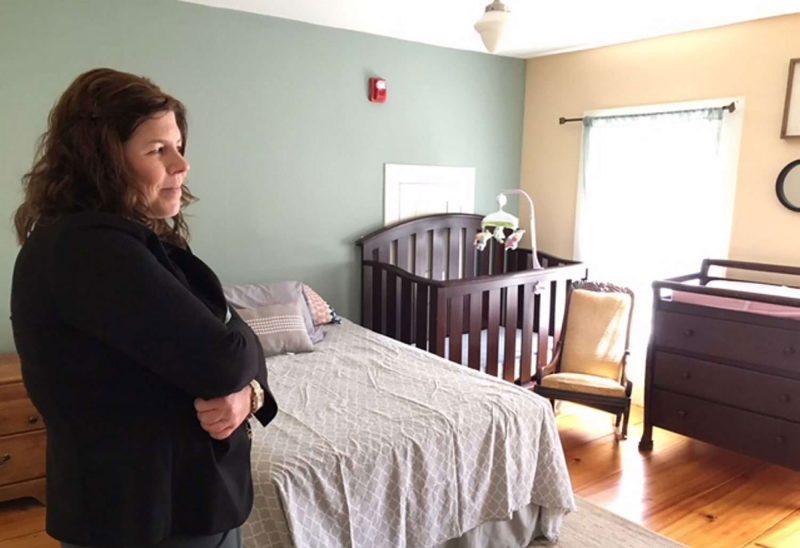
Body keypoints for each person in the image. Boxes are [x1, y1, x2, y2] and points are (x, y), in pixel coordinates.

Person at [10, 68, 278, 548]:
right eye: (159, 150)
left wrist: (250, 393)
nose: (182, 165)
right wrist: (239, 369)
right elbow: (223, 354)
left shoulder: (131, 242)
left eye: (179, 147)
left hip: (170, 506)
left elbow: (236, 338)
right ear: (103, 162)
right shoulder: (89, 249)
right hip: (148, 517)